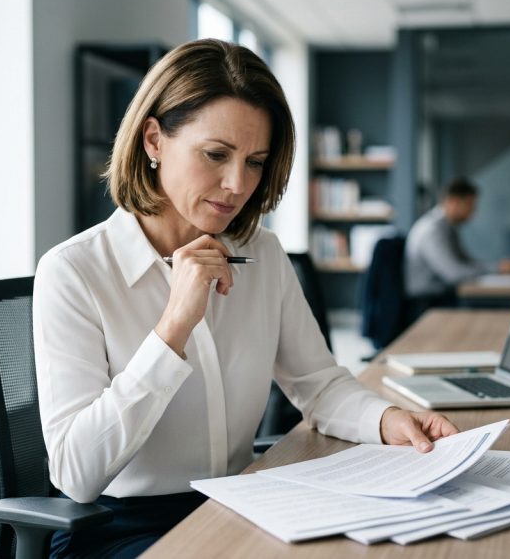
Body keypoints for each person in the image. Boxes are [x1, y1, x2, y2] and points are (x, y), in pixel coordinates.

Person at [33, 39, 458, 559]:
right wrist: (173, 328)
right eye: (216, 154)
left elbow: (318, 385)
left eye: (255, 162)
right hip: (118, 529)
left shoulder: (264, 255)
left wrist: (386, 419)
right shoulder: (74, 271)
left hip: (241, 505)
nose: (237, 184)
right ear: (153, 140)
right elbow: (77, 474)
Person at [403, 178, 510, 316]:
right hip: (427, 305)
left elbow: (466, 262)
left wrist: (497, 267)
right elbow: (453, 274)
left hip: (442, 299)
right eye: (470, 205)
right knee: (504, 308)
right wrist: (496, 268)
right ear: (454, 202)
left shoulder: (448, 228)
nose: (473, 213)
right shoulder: (433, 230)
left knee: (505, 307)